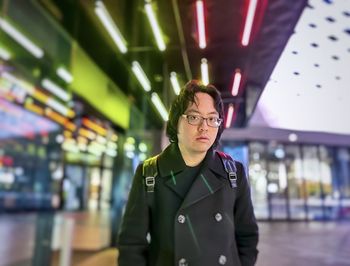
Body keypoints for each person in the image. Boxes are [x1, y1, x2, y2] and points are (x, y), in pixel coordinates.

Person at [117, 80, 259, 266]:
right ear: (176, 122)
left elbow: (247, 237)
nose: (204, 127)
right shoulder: (150, 173)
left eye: (212, 118)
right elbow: (131, 245)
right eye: (194, 117)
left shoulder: (233, 173)